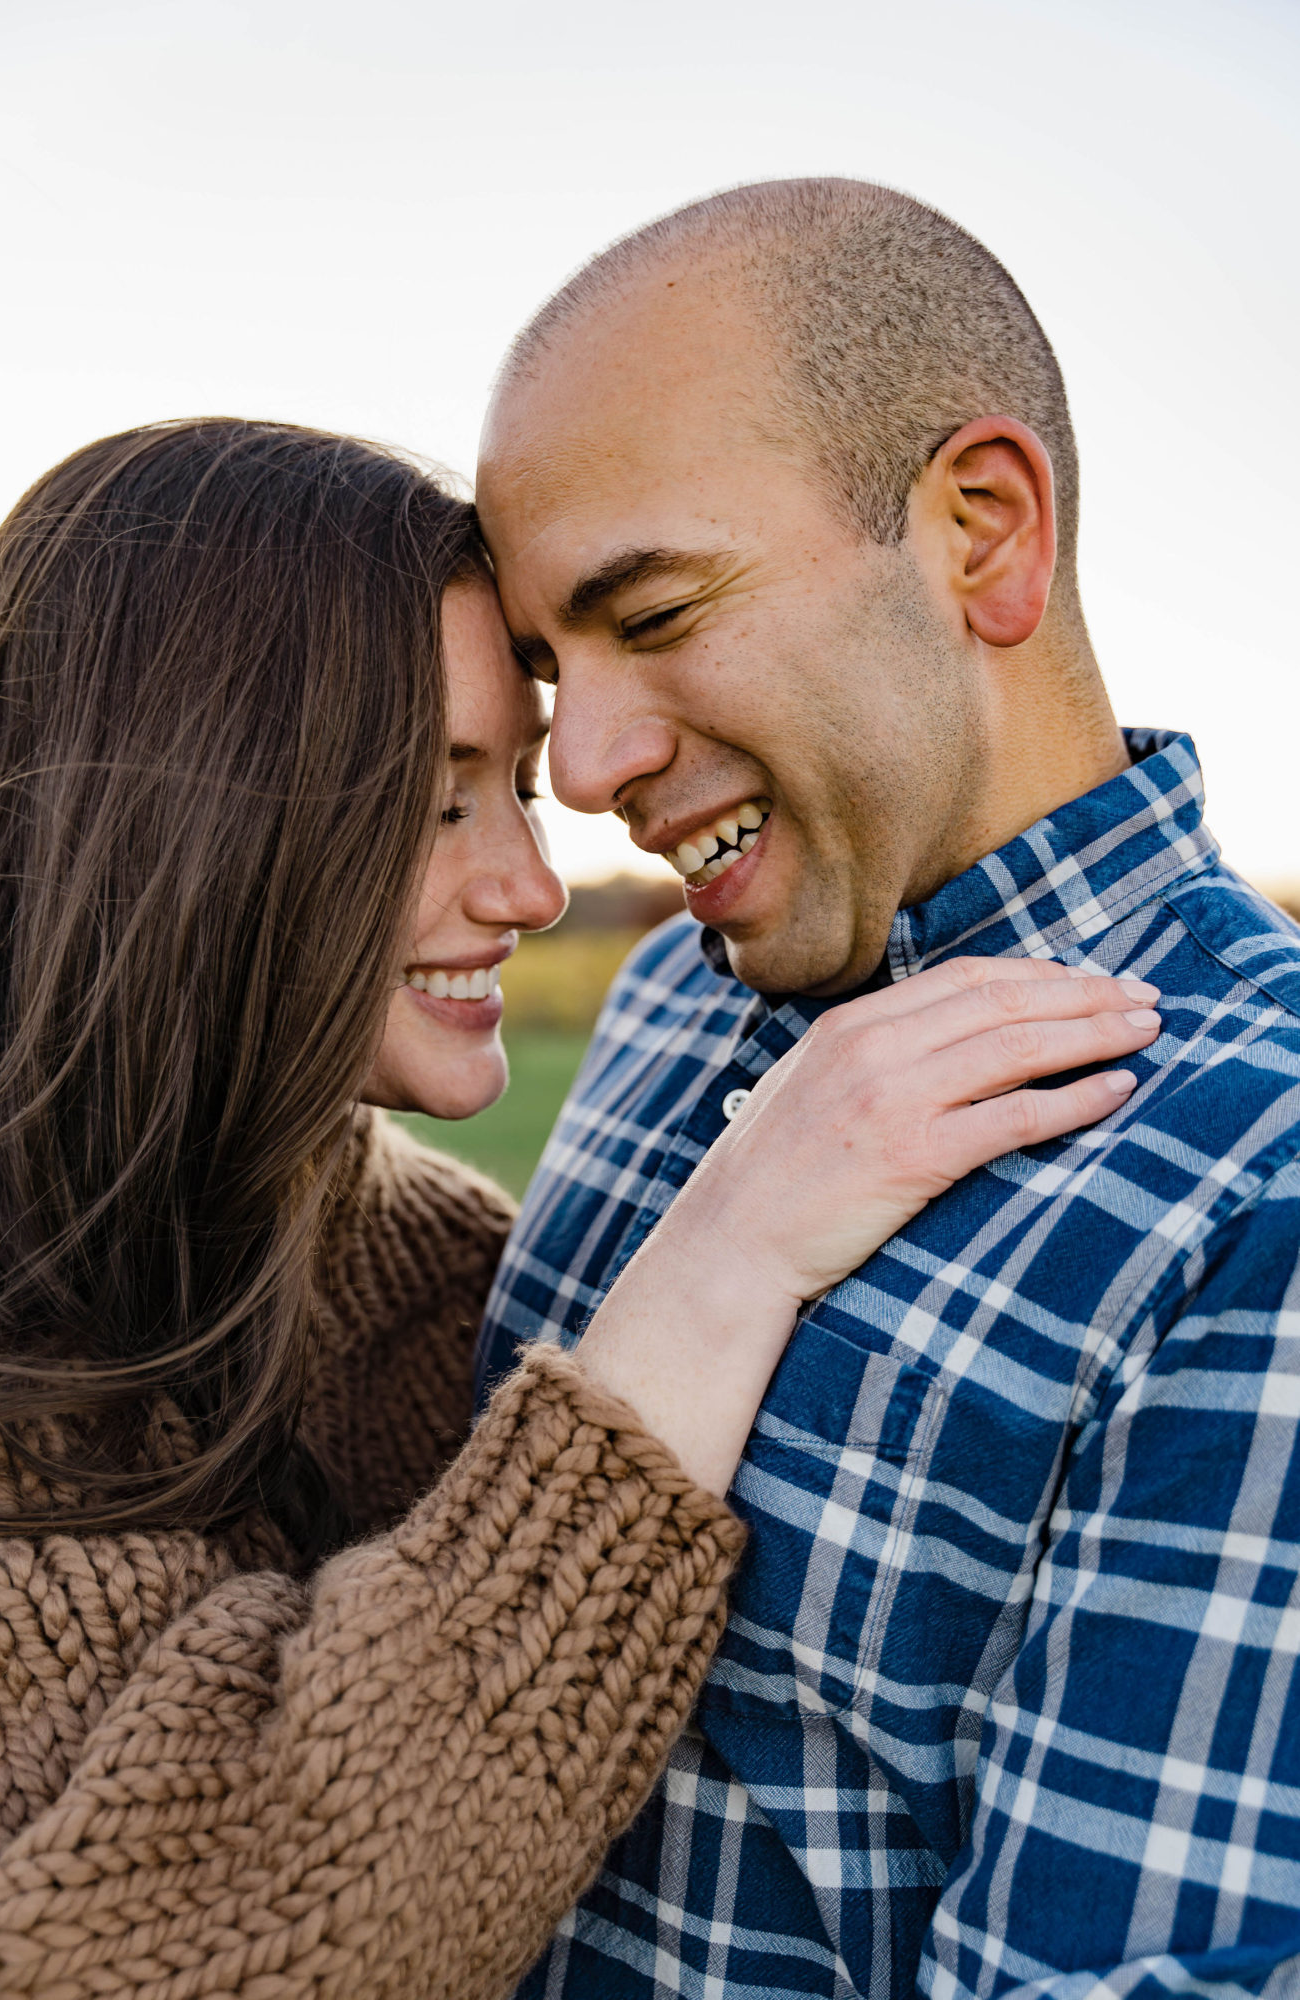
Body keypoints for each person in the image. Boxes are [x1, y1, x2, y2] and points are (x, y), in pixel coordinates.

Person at [0, 418, 1155, 2000]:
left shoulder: (400, 1260)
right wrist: (720, 1261)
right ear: (196, 813)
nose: (530, 886)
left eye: (513, 787)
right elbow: (177, 1945)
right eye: (438, 798)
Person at [473, 179, 1300, 1997]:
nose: (585, 763)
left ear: (978, 534)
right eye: (551, 669)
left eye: (658, 609)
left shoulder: (1259, 1192)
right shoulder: (667, 1005)